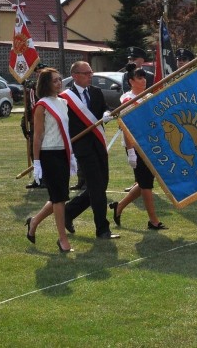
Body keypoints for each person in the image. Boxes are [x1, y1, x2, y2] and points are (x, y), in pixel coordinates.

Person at [61, 61, 119, 239]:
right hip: (82, 148)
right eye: (86, 73)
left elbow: (104, 109)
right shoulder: (65, 98)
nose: (90, 75)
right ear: (76, 75)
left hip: (99, 145)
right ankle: (102, 229)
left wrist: (106, 115)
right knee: (96, 187)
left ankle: (68, 213)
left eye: (91, 72)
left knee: (100, 185)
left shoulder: (96, 92)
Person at [25, 68, 77, 253]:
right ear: (46, 84)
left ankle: (34, 221)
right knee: (59, 197)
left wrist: (71, 155)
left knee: (59, 196)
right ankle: (62, 239)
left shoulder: (63, 102)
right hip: (48, 154)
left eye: (60, 79)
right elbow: (37, 136)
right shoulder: (42, 105)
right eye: (55, 80)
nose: (59, 83)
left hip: (63, 152)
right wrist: (37, 162)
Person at [109, 67, 168, 230]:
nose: (143, 80)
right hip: (136, 147)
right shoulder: (127, 99)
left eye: (144, 78)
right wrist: (131, 152)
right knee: (146, 185)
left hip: (150, 144)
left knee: (145, 181)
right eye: (139, 78)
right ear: (131, 81)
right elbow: (128, 127)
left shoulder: (148, 96)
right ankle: (153, 220)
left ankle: (119, 207)